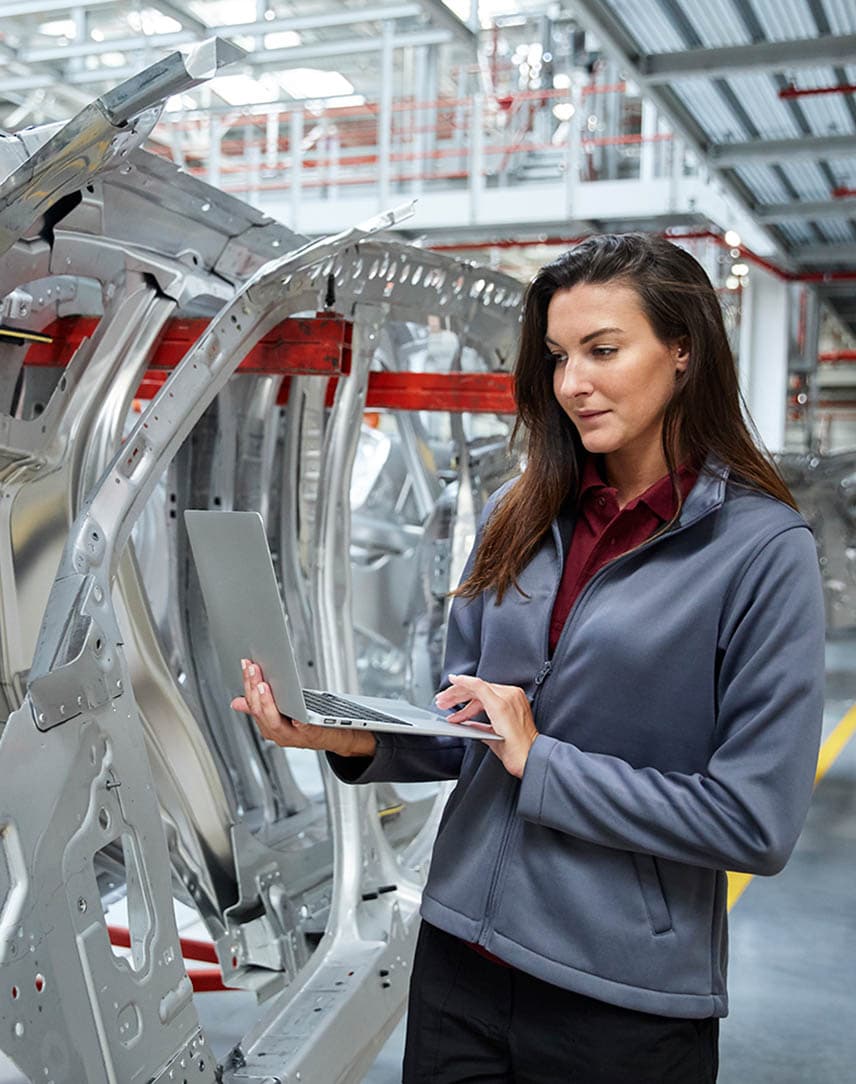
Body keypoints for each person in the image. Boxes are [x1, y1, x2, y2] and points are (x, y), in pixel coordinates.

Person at [232, 233, 825, 1083]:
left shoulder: (763, 551)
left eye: (604, 350)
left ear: (684, 351)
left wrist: (542, 761)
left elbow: (754, 822)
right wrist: (342, 735)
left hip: (620, 996)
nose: (573, 382)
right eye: (557, 357)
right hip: (460, 964)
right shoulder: (520, 512)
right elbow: (470, 728)